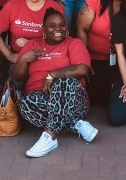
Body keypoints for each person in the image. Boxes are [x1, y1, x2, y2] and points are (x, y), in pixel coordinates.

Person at [13, 8, 97, 158]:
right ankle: (76, 124)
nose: (58, 29)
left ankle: (49, 136)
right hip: (41, 98)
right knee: (25, 104)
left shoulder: (74, 43)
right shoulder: (32, 46)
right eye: (52, 25)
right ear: (43, 28)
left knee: (63, 82)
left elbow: (83, 69)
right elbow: (18, 77)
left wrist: (53, 75)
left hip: (74, 101)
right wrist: (24, 59)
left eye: (62, 25)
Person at [0, 0, 63, 88]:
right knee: (18, 85)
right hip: (19, 58)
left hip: (48, 57)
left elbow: (61, 39)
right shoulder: (12, 6)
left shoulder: (55, 8)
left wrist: (30, 44)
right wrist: (8, 55)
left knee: (47, 87)